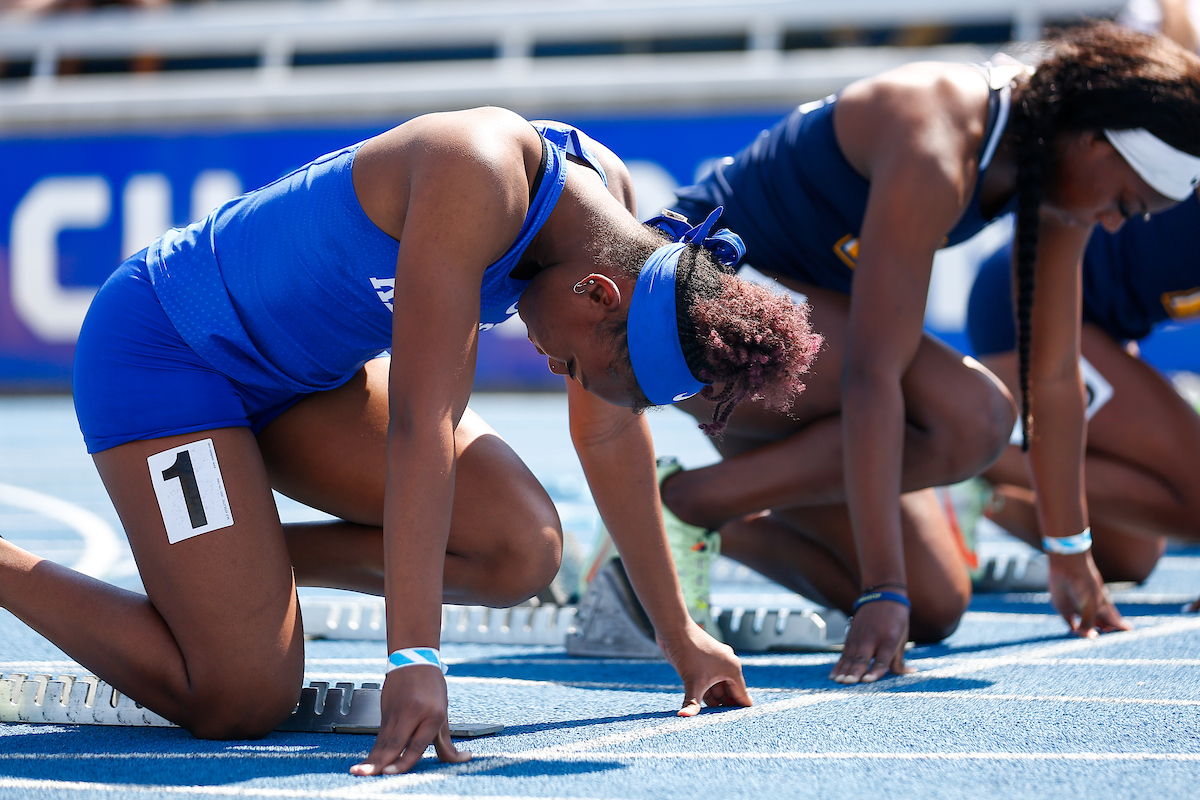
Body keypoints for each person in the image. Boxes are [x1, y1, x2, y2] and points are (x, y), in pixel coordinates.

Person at [0, 107, 822, 775]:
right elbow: (420, 426)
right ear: (599, 292)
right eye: (570, 360)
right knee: (237, 699)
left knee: (520, 550)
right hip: (170, 353)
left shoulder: (613, 219)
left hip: (305, 387)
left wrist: (676, 630)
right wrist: (413, 658)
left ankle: (223, 567)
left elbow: (609, 439)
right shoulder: (478, 171)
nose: (552, 363)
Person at [655, 21, 1200, 685]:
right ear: (1093, 140)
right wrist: (881, 586)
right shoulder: (938, 133)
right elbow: (873, 374)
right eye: (1124, 201)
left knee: (937, 605)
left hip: (791, 345)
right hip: (686, 302)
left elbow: (1054, 379)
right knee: (974, 417)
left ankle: (664, 521)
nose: (1116, 223)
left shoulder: (1058, 180)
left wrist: (1068, 550)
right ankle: (683, 510)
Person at [967, 193, 1200, 605]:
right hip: (1027, 297)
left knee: (1130, 557)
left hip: (1100, 318)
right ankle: (961, 452)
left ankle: (991, 494)